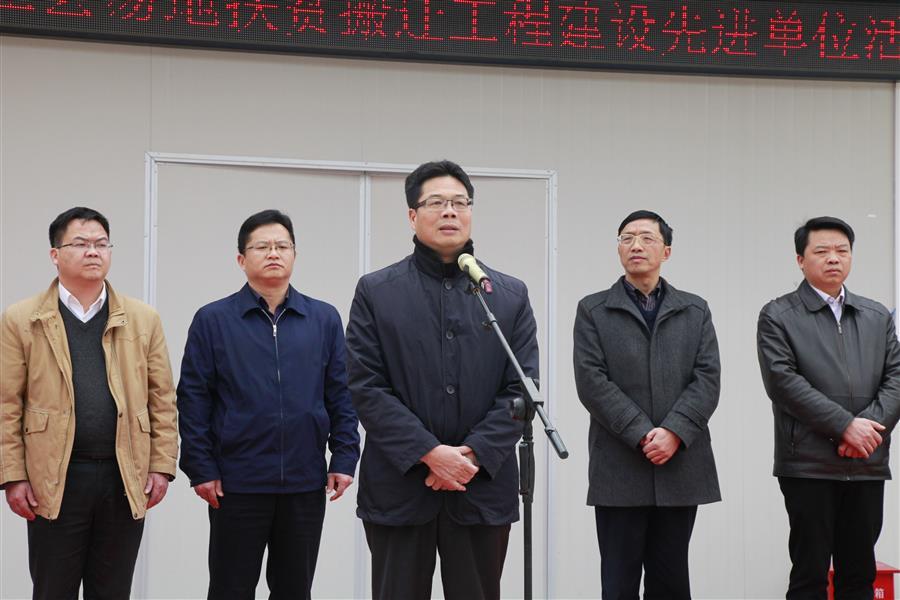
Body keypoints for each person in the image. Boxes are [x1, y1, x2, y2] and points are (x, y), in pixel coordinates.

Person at [346, 160, 539, 600]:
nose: (449, 211)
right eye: (436, 202)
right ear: (412, 215)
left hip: (480, 485)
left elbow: (521, 389)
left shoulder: (507, 295)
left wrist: (471, 454)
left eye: (459, 202)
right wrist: (429, 454)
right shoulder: (377, 291)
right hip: (400, 487)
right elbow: (365, 385)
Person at [177, 209, 360, 600]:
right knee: (230, 589)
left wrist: (344, 457)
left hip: (304, 482)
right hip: (236, 483)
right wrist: (201, 467)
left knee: (295, 589)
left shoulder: (323, 318)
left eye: (282, 246)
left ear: (294, 255)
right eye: (262, 247)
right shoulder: (213, 320)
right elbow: (193, 400)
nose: (273, 253)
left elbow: (341, 394)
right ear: (241, 259)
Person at [0, 206, 178, 599]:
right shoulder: (22, 319)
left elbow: (162, 398)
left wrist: (162, 465)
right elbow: (6, 404)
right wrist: (13, 475)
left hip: (123, 474)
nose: (93, 251)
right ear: (55, 254)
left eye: (102, 243)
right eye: (80, 243)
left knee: (112, 591)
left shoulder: (142, 319)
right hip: (55, 478)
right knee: (53, 589)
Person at [573, 210, 721, 599]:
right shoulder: (593, 310)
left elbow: (707, 379)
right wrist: (642, 433)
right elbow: (591, 382)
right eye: (627, 238)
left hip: (679, 466)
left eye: (646, 238)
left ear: (666, 251)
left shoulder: (695, 310)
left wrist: (674, 431)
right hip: (619, 466)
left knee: (671, 582)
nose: (635, 245)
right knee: (618, 584)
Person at [757, 216, 900, 599]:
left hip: (866, 461)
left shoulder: (876, 316)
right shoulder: (778, 315)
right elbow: (783, 382)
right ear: (800, 260)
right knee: (810, 575)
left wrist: (866, 429)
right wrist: (844, 427)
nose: (833, 258)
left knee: (859, 575)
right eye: (821, 251)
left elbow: (896, 378)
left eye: (842, 250)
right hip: (809, 464)